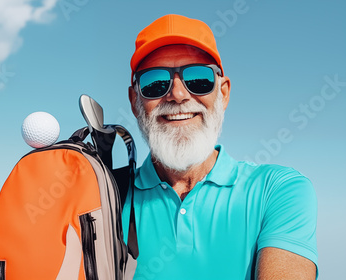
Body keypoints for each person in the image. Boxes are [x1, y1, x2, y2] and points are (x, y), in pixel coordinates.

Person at [121, 14, 318, 280]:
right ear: (135, 102)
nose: (178, 95)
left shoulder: (279, 189)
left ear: (223, 93)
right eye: (154, 83)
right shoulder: (105, 197)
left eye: (198, 79)